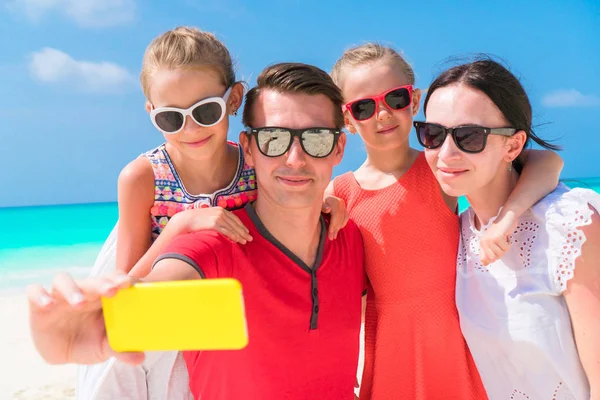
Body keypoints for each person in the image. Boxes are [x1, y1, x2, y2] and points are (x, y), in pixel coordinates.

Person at [28, 62, 366, 400]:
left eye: (316, 139)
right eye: (274, 139)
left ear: (338, 148)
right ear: (247, 148)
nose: (295, 158)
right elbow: (162, 280)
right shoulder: (212, 248)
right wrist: (106, 318)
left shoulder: (351, 237)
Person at [328, 43, 564, 399]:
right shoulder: (342, 190)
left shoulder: (440, 165)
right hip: (391, 339)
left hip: (454, 331)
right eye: (363, 106)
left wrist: (507, 217)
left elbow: (546, 162)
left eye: (395, 98)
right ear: (347, 120)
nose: (382, 114)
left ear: (414, 98)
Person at [418, 58, 599, 400]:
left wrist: (510, 215)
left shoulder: (568, 225)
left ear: (513, 146)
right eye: (433, 134)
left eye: (469, 136)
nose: (445, 152)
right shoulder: (454, 234)